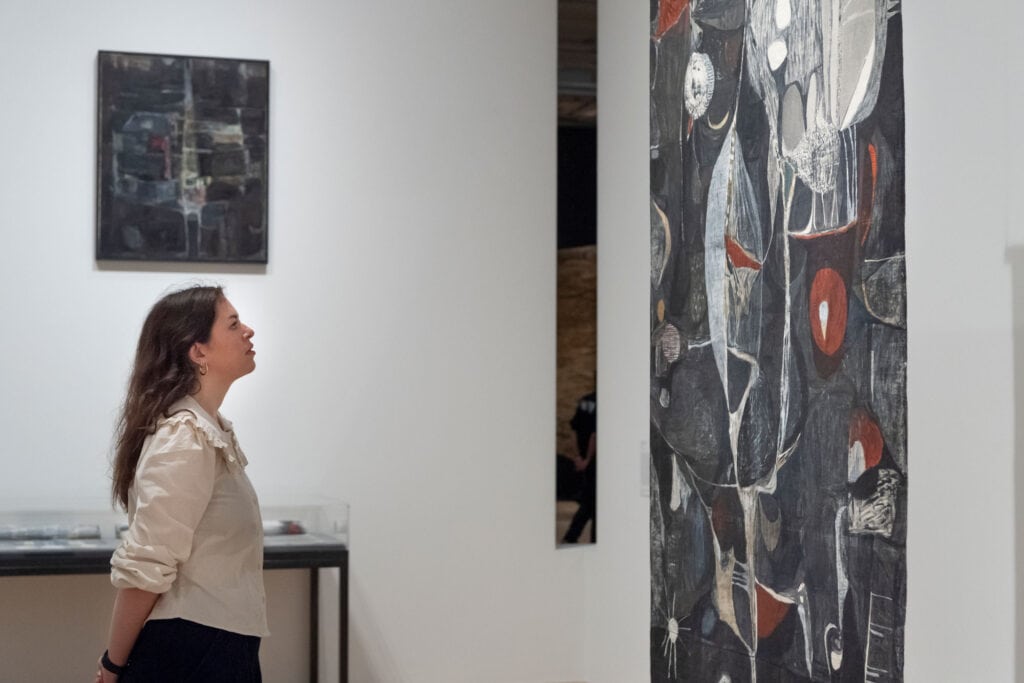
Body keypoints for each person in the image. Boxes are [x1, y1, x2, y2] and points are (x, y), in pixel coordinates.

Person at [95, 285, 266, 683]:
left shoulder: (206, 431)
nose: (249, 332)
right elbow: (146, 568)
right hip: (192, 653)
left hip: (218, 647)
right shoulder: (184, 438)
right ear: (198, 351)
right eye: (234, 324)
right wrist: (112, 667)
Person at [562, 391, 596, 543]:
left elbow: (575, 430)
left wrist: (579, 457)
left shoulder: (585, 400)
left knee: (591, 501)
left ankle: (572, 537)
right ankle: (573, 537)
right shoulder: (602, 401)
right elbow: (595, 436)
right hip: (594, 461)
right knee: (591, 502)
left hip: (587, 460)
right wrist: (588, 459)